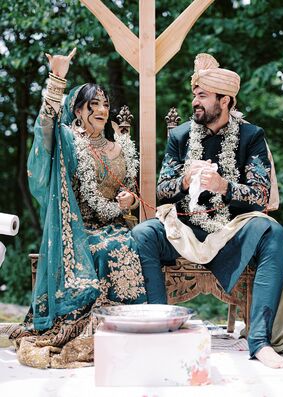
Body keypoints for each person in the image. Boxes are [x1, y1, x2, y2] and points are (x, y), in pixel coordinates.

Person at [132, 53, 283, 369]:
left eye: (203, 95)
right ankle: (160, 329)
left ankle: (259, 342)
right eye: (195, 93)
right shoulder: (180, 136)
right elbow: (162, 190)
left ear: (225, 100)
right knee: (142, 234)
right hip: (185, 228)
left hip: (231, 229)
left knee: (273, 232)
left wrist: (223, 186)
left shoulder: (251, 136)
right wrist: (186, 179)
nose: (195, 100)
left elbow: (260, 195)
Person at [9, 48, 146, 368]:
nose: (101, 109)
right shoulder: (69, 140)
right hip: (75, 228)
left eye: (105, 103)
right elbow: (45, 129)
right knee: (104, 248)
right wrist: (56, 80)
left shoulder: (120, 147)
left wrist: (129, 198)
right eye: (93, 104)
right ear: (78, 110)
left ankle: (127, 324)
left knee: (128, 242)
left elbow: (129, 188)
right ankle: (87, 323)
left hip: (115, 222)